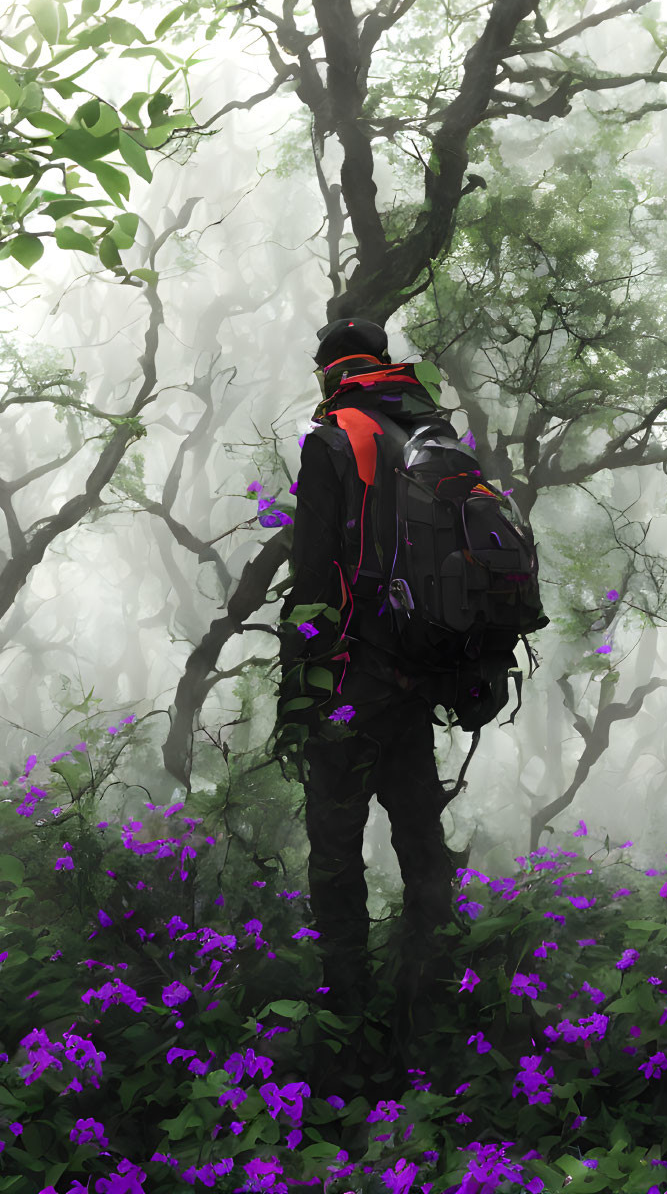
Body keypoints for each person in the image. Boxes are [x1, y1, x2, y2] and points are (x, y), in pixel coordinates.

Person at [274, 315, 502, 1089]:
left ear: (329, 371)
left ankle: (346, 1028)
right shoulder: (429, 432)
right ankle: (432, 1000)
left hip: (351, 677)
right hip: (421, 670)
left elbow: (312, 576)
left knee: (335, 847)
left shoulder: (334, 436)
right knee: (417, 832)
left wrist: (297, 689)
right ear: (379, 363)